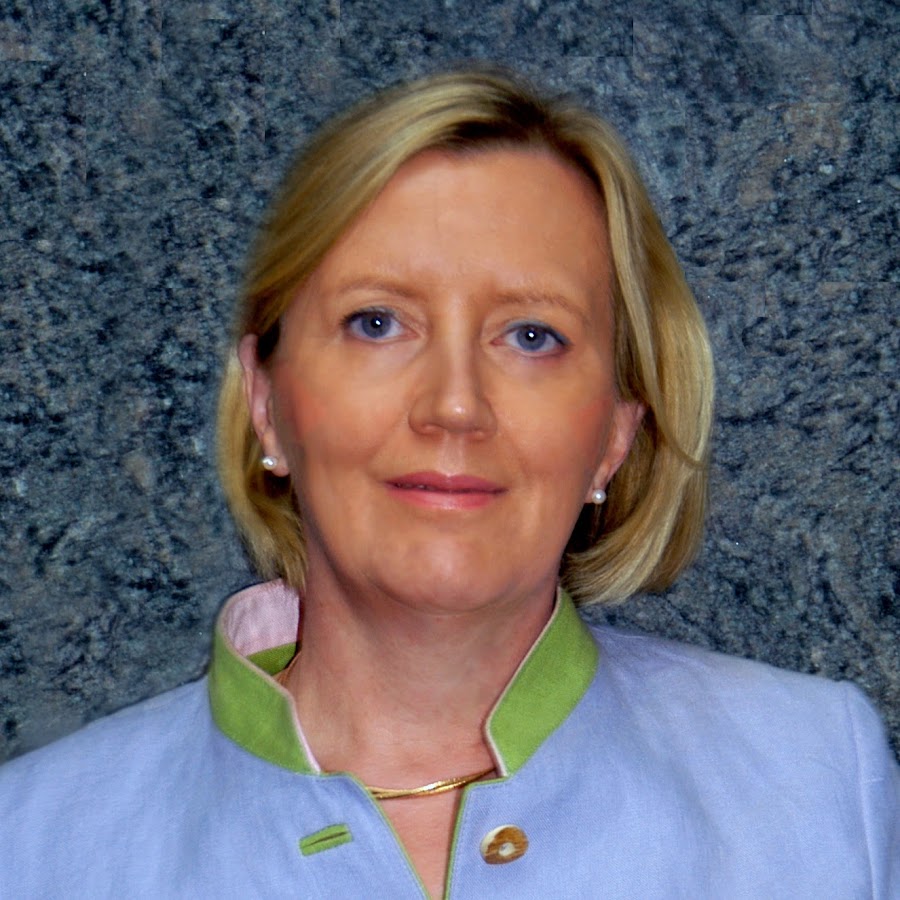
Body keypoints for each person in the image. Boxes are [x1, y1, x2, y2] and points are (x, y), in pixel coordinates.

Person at [1, 69, 897, 899]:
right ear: (268, 404)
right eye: (377, 322)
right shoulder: (35, 846)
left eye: (533, 336)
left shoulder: (817, 785)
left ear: (614, 436)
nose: (455, 406)